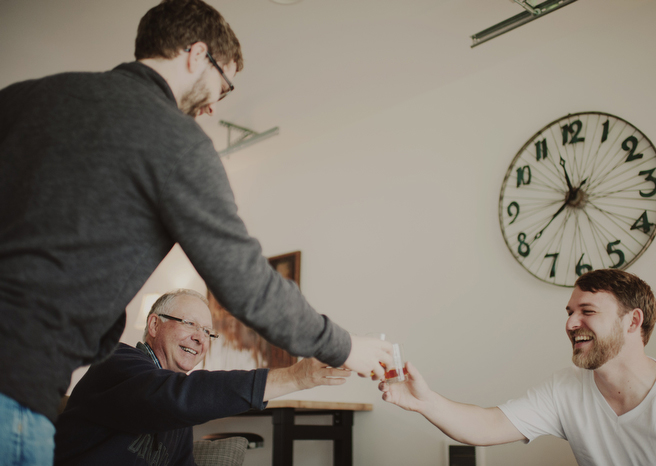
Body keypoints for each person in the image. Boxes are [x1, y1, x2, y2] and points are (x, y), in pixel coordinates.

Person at [0, 0, 392, 463]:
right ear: (195, 54)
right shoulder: (174, 138)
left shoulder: (22, 99)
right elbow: (247, 284)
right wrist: (345, 346)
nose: (211, 106)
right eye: (223, 86)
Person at [380, 269, 656, 465]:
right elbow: (488, 425)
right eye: (570, 312)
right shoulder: (566, 388)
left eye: (587, 311)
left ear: (633, 321)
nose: (571, 323)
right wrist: (426, 402)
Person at [54, 289, 351, 465]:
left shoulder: (180, 408)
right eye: (189, 324)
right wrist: (296, 377)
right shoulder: (115, 360)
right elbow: (174, 398)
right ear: (154, 325)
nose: (201, 338)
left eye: (208, 332)